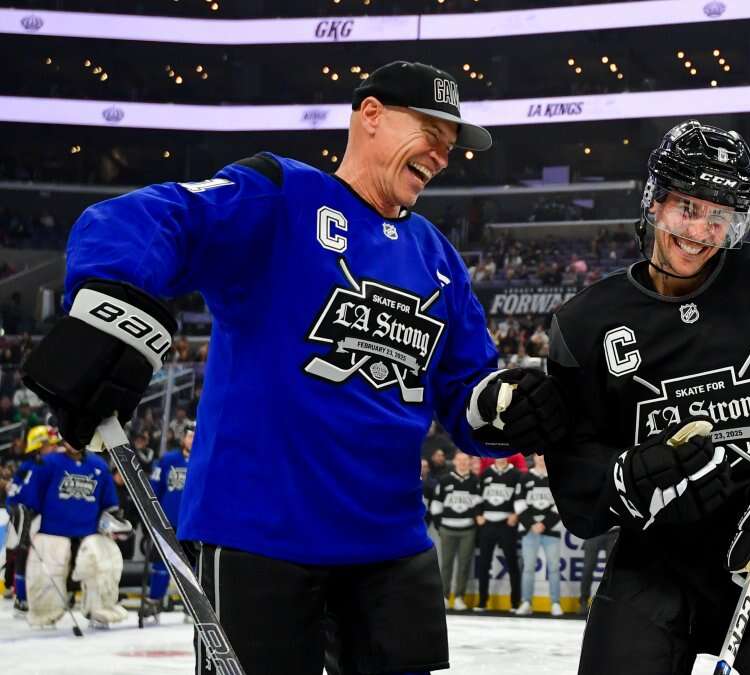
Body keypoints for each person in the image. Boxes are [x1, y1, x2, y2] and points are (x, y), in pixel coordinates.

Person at [18, 60, 566, 674]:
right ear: (372, 117)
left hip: (391, 544)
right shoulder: (281, 194)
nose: (441, 155)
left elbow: (467, 395)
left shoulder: (439, 258)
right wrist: (110, 305)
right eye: (430, 133)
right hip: (260, 534)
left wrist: (506, 407)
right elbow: (147, 217)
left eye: (450, 146)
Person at [546, 120, 750, 675]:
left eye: (719, 215)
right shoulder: (585, 322)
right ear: (654, 201)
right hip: (654, 564)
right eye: (687, 207)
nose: (701, 230)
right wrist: (628, 476)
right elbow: (579, 484)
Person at [9, 437, 130, 628]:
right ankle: (45, 613)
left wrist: (116, 522)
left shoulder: (98, 465)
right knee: (47, 567)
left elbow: (109, 505)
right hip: (53, 531)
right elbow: (27, 499)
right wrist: (24, 517)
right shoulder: (48, 463)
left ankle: (100, 610)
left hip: (89, 531)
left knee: (105, 560)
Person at [4, 425, 61, 616]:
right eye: (49, 444)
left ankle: (46, 596)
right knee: (22, 555)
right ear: (38, 446)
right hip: (28, 516)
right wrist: (16, 509)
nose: (54, 447)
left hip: (49, 518)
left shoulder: (54, 466)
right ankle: (21, 597)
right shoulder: (27, 467)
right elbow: (13, 493)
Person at [142, 420, 195, 621]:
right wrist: (151, 516)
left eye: (195, 436)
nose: (192, 440)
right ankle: (154, 601)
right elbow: (154, 488)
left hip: (191, 524)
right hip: (167, 522)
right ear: (183, 438)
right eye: (189, 435)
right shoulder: (167, 460)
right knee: (161, 564)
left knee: (192, 567)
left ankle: (191, 606)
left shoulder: (204, 459)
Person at [430, 450, 482, 611]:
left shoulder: (475, 481)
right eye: (460, 460)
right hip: (447, 529)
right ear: (454, 462)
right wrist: (440, 527)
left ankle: (459, 597)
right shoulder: (445, 480)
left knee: (464, 565)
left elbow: (478, 506)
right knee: (446, 565)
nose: (463, 463)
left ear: (469, 462)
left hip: (467, 530)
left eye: (465, 460)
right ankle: (445, 597)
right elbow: (436, 506)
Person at [514, 453, 563, 617]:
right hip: (530, 531)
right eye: (539, 455)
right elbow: (519, 503)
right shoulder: (525, 477)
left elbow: (560, 505)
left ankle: (555, 603)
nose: (542, 457)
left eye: (544, 455)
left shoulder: (557, 477)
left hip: (551, 531)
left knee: (554, 569)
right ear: (534, 458)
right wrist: (531, 524)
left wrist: (545, 524)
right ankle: (526, 602)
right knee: (528, 568)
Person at [475, 455, 523, 613]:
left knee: (512, 564)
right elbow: (477, 497)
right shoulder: (486, 473)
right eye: (498, 455)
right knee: (483, 564)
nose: (501, 458)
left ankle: (515, 603)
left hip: (506, 526)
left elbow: (522, 497)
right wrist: (478, 514)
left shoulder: (516, 475)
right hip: (487, 525)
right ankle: (482, 602)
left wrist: (516, 514)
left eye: (504, 455)